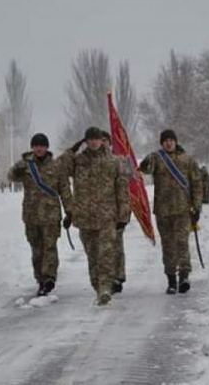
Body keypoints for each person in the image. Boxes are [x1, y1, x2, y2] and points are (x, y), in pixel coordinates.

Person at [60, 127, 130, 306]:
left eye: (96, 139)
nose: (93, 142)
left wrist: (124, 214)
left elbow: (122, 189)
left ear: (102, 140)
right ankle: (97, 287)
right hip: (85, 217)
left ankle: (105, 288)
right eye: (89, 139)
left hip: (107, 216)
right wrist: (72, 150)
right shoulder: (78, 161)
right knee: (93, 256)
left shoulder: (114, 161)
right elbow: (57, 167)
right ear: (86, 141)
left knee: (106, 253)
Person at [8, 133, 73, 296]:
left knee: (49, 247)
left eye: (42, 146)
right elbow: (11, 177)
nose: (39, 149)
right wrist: (19, 166)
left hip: (51, 215)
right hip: (31, 215)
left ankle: (49, 278)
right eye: (36, 146)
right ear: (32, 147)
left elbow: (65, 190)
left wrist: (70, 212)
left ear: (47, 147)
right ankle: (40, 279)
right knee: (36, 249)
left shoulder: (57, 166)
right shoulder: (26, 165)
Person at [139, 129, 203, 295]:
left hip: (183, 210)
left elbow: (196, 184)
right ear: (162, 143)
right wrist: (146, 161)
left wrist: (197, 207)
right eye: (165, 140)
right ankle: (171, 280)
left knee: (182, 243)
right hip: (163, 211)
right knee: (168, 246)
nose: (169, 143)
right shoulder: (158, 158)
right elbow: (145, 169)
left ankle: (184, 277)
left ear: (176, 141)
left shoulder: (187, 160)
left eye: (171, 140)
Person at [100, 130, 131, 294]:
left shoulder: (118, 161)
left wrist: (124, 212)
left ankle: (118, 277)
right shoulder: (92, 162)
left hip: (115, 211)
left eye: (105, 140)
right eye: (100, 140)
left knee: (116, 245)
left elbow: (124, 189)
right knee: (102, 248)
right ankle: (106, 277)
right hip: (98, 213)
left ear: (110, 143)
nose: (102, 143)